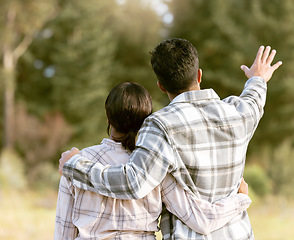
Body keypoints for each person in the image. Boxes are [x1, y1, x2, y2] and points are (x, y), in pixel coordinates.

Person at [59, 39, 282, 239]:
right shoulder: (238, 113)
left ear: (161, 85)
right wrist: (259, 78)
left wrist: (75, 165)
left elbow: (133, 183)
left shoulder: (160, 125)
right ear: (199, 75)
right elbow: (254, 98)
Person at [55, 82, 252, 239]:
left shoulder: (75, 164)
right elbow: (201, 219)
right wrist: (240, 199)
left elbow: (64, 232)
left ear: (108, 119)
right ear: (146, 120)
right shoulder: (156, 168)